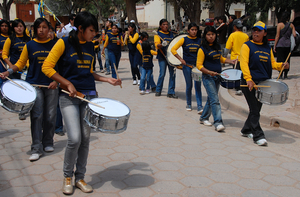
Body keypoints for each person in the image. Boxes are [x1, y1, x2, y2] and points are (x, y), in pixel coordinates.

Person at [42, 11, 121, 194]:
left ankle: (80, 178)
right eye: (92, 30)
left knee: (85, 139)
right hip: (68, 98)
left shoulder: (90, 46)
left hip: (88, 97)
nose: (95, 34)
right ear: (81, 28)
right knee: (74, 138)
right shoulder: (63, 43)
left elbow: (89, 72)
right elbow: (46, 66)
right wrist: (66, 83)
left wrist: (107, 80)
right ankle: (67, 176)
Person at [0, 18, 58, 161]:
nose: (41, 30)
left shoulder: (55, 45)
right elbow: (20, 63)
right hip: (34, 85)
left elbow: (60, 65)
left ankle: (48, 142)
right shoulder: (29, 45)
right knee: (37, 116)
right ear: (34, 29)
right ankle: (36, 148)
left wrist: (56, 80)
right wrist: (9, 71)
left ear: (49, 29)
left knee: (50, 116)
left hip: (51, 85)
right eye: (38, 27)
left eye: (44, 27)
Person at [240, 21, 289, 146]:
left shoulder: (267, 48)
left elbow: (272, 64)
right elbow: (243, 63)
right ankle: (258, 135)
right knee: (255, 110)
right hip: (249, 82)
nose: (256, 33)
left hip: (263, 83)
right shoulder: (247, 46)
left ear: (265, 33)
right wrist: (248, 79)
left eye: (259, 30)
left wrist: (281, 65)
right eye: (254, 30)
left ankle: (246, 129)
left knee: (255, 110)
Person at [196, 26, 235, 132]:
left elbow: (220, 58)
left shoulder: (217, 47)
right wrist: (209, 72)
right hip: (208, 77)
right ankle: (218, 122)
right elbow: (199, 65)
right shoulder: (202, 49)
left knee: (211, 98)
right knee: (215, 100)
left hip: (218, 76)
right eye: (208, 34)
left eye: (212, 34)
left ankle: (203, 117)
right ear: (205, 36)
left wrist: (230, 61)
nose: (211, 36)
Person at [171, 22, 203, 113]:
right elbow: (173, 49)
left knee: (198, 86)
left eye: (195, 30)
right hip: (187, 67)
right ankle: (189, 103)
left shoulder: (200, 40)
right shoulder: (184, 39)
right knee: (189, 85)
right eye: (192, 30)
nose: (194, 32)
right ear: (188, 30)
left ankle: (199, 106)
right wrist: (180, 59)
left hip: (197, 67)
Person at [224, 19, 249, 95]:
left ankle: (238, 88)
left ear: (234, 27)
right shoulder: (246, 36)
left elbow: (227, 48)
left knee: (237, 74)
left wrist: (224, 56)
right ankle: (243, 87)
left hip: (235, 59)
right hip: (244, 58)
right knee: (243, 73)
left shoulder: (232, 35)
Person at [155, 19, 177, 98]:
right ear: (160, 26)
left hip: (171, 57)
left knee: (173, 74)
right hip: (162, 57)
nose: (166, 26)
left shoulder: (171, 34)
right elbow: (157, 45)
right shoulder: (157, 34)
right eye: (164, 24)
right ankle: (158, 90)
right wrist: (162, 44)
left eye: (167, 24)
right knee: (162, 74)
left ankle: (171, 92)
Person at [273, 11, 296, 79]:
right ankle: (286, 74)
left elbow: (277, 36)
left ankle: (281, 73)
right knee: (287, 59)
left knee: (280, 59)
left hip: (280, 44)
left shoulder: (279, 25)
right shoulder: (291, 25)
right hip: (288, 44)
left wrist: (275, 45)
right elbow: (294, 35)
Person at [0, 20, 11, 86]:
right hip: (1, 62)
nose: (4, 27)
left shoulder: (12, 37)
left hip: (11, 60)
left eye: (6, 26)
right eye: (2, 26)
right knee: (3, 78)